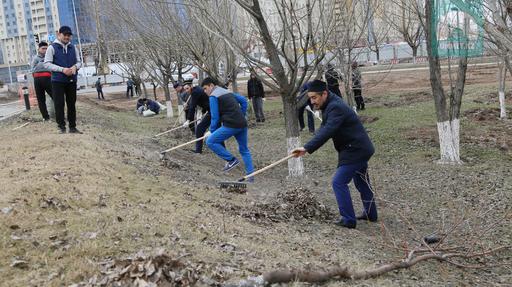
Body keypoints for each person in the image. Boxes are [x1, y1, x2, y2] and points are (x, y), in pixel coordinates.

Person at [292, 80, 377, 229]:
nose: (312, 102)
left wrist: (306, 148)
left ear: (324, 94)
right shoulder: (330, 104)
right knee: (362, 181)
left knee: (338, 182)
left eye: (314, 98)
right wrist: (307, 145)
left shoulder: (336, 107)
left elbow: (328, 131)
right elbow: (325, 127)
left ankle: (348, 219)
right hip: (358, 148)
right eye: (310, 98)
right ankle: (371, 213)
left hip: (355, 150)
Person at [201, 77, 254, 179]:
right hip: (242, 124)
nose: (205, 91)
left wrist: (211, 131)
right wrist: (241, 115)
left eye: (205, 88)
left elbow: (215, 117)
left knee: (210, 141)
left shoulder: (213, 96)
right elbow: (243, 101)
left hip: (231, 125)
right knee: (244, 150)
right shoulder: (226, 91)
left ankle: (231, 160)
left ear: (211, 85)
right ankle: (251, 177)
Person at [44, 25, 82, 134]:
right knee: (59, 104)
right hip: (57, 80)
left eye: (69, 35)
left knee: (71, 104)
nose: (67, 37)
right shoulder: (52, 48)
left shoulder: (73, 47)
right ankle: (61, 127)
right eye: (65, 35)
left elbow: (79, 62)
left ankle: (73, 127)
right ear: (59, 34)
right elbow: (46, 64)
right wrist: (62, 69)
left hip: (71, 80)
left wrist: (75, 67)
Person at [182, 83, 211, 153]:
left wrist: (188, 120)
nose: (186, 90)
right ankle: (198, 150)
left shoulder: (195, 92)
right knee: (199, 129)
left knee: (202, 129)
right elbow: (203, 102)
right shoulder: (196, 90)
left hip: (214, 111)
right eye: (185, 89)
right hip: (209, 111)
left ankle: (198, 150)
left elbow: (192, 107)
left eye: (187, 88)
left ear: (191, 86)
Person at [31, 41, 53, 121]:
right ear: (39, 49)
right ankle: (45, 117)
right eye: (43, 48)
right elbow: (32, 70)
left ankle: (59, 115)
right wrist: (41, 64)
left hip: (48, 79)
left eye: (46, 49)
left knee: (55, 96)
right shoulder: (35, 58)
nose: (45, 50)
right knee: (41, 99)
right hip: (37, 80)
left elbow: (53, 67)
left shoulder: (50, 57)